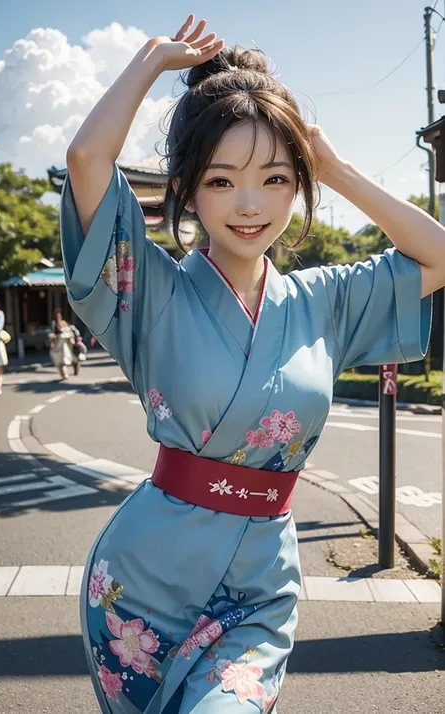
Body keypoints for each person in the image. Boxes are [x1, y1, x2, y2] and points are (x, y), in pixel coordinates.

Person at [61, 15, 444, 714]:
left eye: (275, 178)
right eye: (221, 180)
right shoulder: (149, 293)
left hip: (260, 586)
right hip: (143, 590)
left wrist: (332, 166)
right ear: (187, 188)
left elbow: (439, 254)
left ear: (297, 185)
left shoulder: (325, 301)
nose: (249, 204)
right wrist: (149, 62)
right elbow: (88, 160)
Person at [48, 309, 77, 381]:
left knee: (64, 359)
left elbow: (71, 331)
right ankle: (63, 375)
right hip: (57, 343)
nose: (58, 317)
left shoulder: (65, 323)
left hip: (65, 344)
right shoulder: (54, 323)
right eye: (57, 315)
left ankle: (66, 373)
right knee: (58, 361)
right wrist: (52, 341)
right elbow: (52, 333)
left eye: (59, 315)